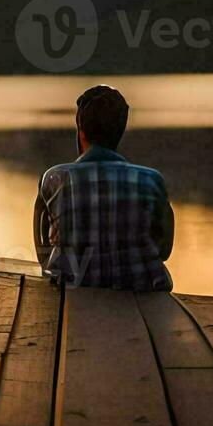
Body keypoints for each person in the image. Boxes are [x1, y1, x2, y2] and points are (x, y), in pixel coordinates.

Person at [33, 85, 175, 289]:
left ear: (81, 131)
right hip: (141, 289)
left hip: (74, 290)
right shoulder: (152, 180)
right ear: (120, 131)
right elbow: (164, 251)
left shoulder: (54, 178)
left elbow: (42, 254)